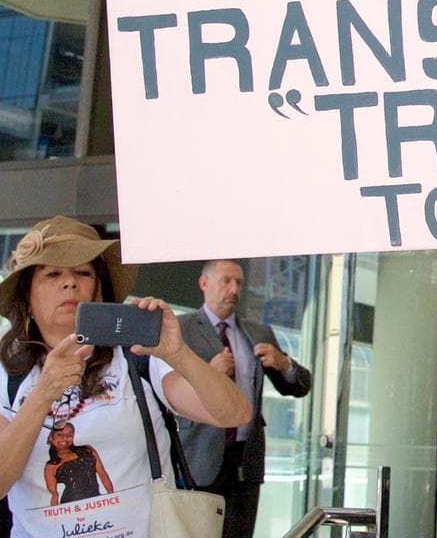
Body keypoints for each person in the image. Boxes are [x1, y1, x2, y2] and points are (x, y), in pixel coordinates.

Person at [0, 216, 251, 538]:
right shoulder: (6, 371)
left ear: (100, 289)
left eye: (83, 272)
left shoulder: (136, 355)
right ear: (27, 296)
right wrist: (42, 393)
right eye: (52, 273)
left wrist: (177, 354)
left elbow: (234, 413)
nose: (70, 283)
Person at [177, 259, 313, 538]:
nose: (234, 288)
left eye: (239, 282)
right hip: (198, 455)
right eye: (226, 281)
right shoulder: (182, 330)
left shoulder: (258, 333)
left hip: (245, 460)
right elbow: (163, 392)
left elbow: (299, 387)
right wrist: (208, 374)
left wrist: (283, 363)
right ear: (204, 284)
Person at [43, 422, 112, 506]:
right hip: (71, 507)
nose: (65, 438)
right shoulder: (51, 466)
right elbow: (54, 495)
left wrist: (112, 496)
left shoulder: (87, 450)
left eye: (69, 435)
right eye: (60, 435)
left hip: (95, 502)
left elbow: (102, 473)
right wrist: (56, 518)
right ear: (51, 438)